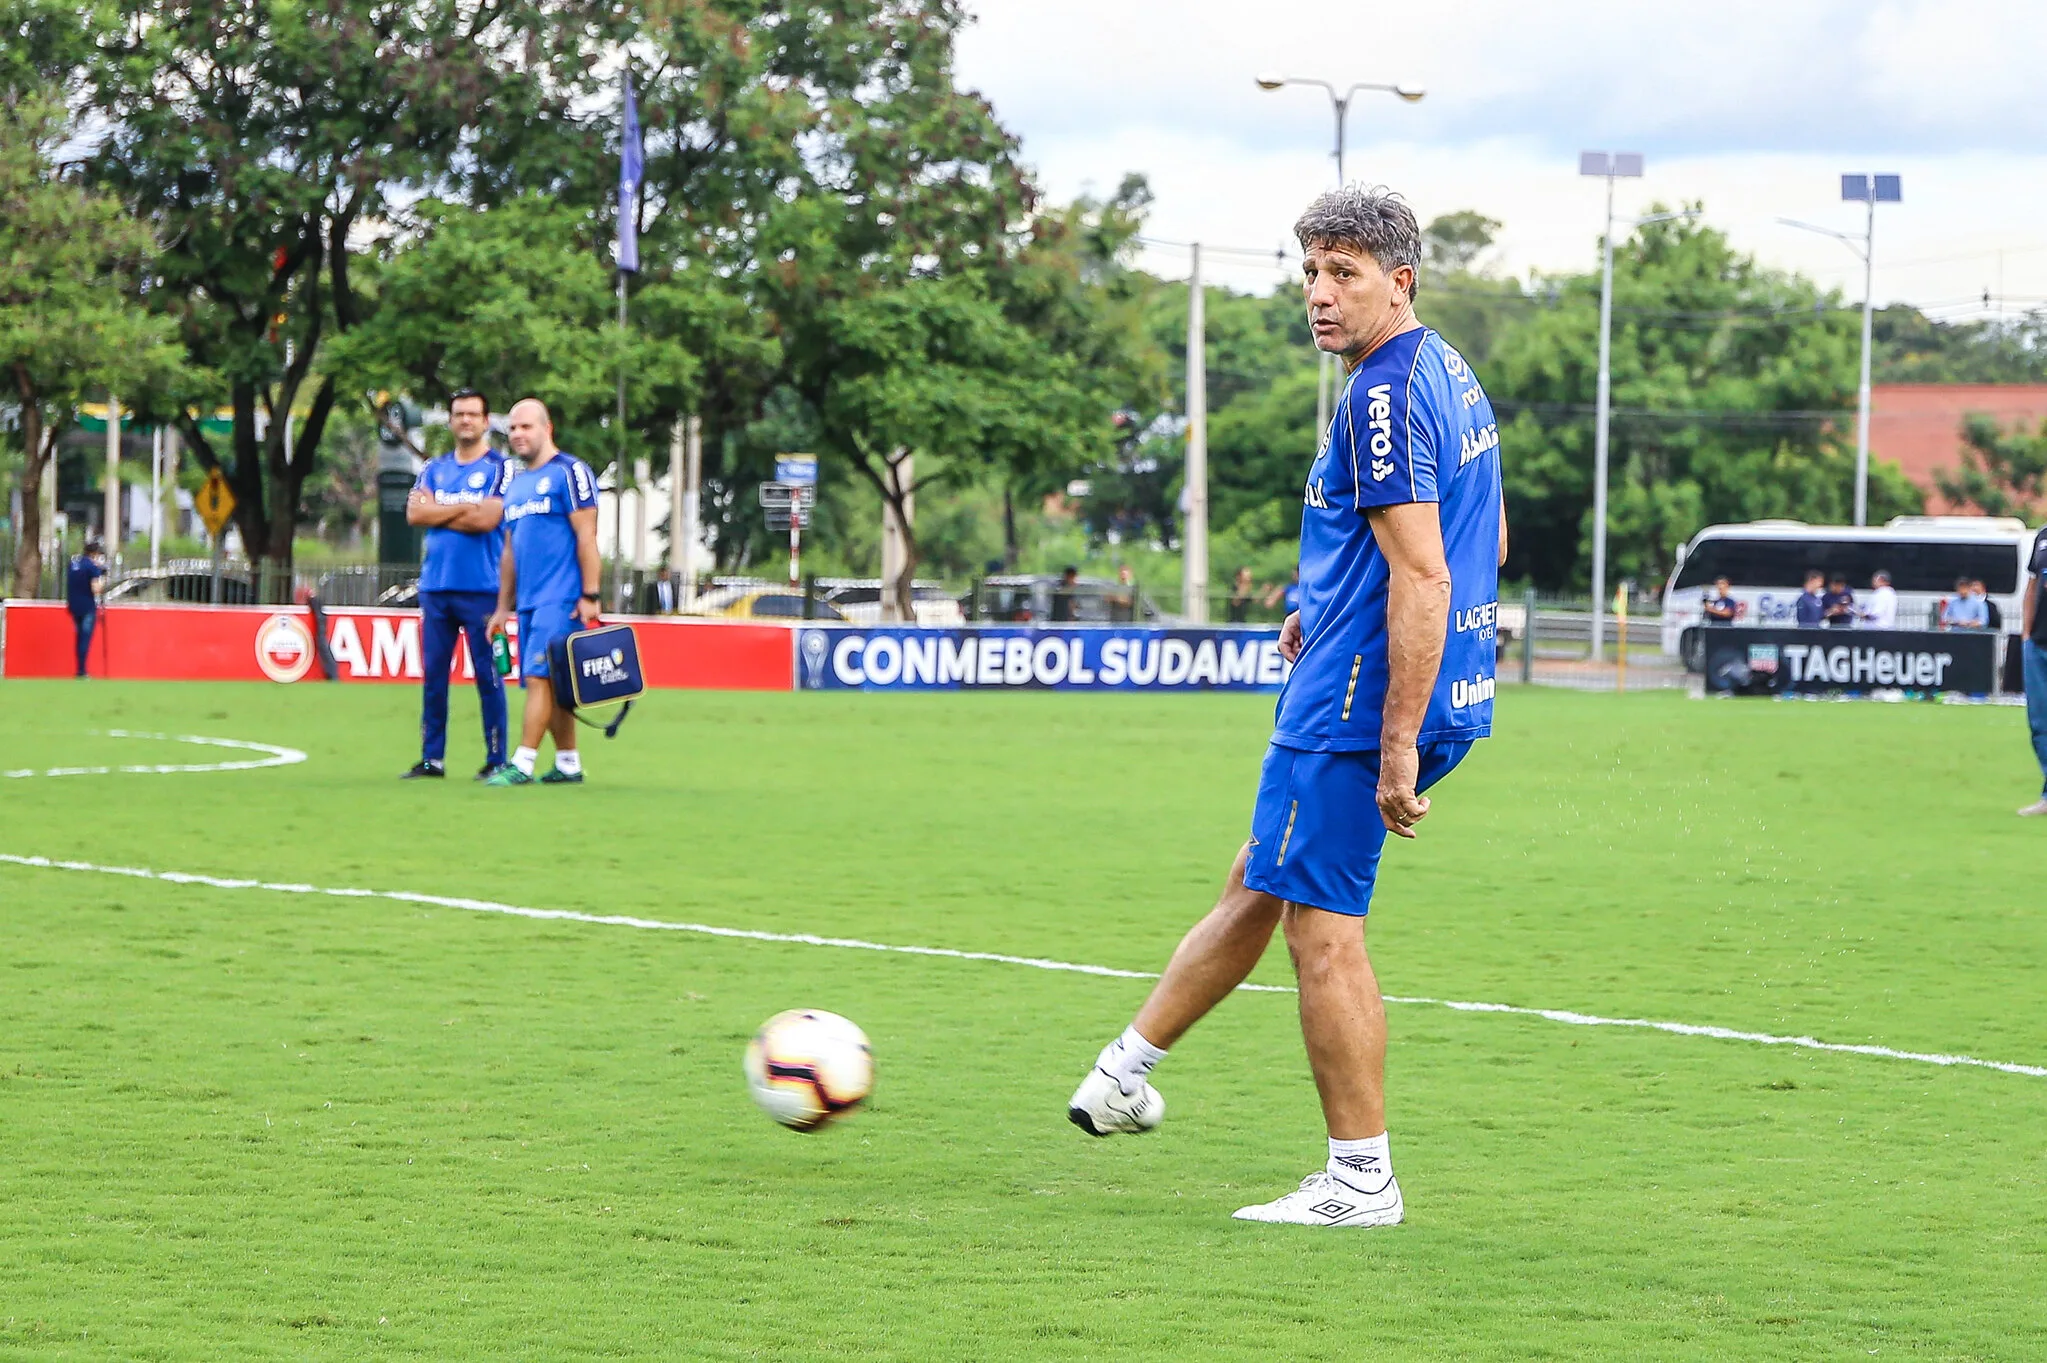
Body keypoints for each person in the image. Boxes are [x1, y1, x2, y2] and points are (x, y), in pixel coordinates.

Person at [1067, 185, 1505, 1228]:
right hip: (1399, 677)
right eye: (1309, 271)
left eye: (1343, 273)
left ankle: (1360, 1179)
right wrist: (1324, 602)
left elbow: (1427, 574)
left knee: (1322, 933)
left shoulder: (1382, 398)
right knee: (1261, 878)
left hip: (1358, 705)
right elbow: (1477, 539)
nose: (1318, 293)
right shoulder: (1442, 367)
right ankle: (1123, 1073)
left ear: (1399, 281)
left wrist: (1395, 735)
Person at [483, 399, 602, 787]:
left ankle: (523, 762)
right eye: (513, 428)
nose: (518, 434)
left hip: (562, 599)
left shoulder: (570, 472)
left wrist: (590, 595)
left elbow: (587, 535)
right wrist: (503, 608)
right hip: (530, 603)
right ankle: (568, 763)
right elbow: (509, 551)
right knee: (551, 685)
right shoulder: (516, 485)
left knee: (539, 680)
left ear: (547, 428)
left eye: (526, 427)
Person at [401, 389, 512, 780]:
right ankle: (432, 758)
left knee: (489, 676)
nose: (466, 420)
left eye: (473, 414)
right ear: (450, 421)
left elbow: (488, 520)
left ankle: (497, 758)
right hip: (436, 587)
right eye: (459, 414)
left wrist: (439, 511)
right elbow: (414, 514)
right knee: (433, 676)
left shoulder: (501, 468)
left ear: (485, 422)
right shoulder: (433, 468)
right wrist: (466, 506)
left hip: (483, 588)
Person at [2020, 528, 2047, 816]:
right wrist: (2026, 633)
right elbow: (2032, 586)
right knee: (2040, 723)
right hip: (2038, 643)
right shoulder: (2042, 537)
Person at [65, 537, 107, 678]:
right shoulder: (91, 567)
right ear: (94, 553)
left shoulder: (73, 565)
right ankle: (82, 670)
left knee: (79, 638)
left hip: (73, 605)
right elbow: (96, 589)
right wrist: (103, 580)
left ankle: (80, 668)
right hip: (87, 606)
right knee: (85, 638)